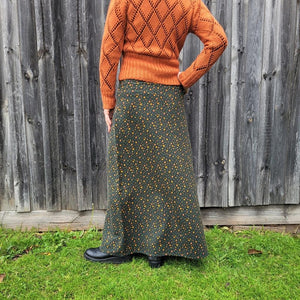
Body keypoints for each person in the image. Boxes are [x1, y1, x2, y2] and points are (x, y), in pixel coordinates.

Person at [84, 0, 228, 268]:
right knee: (165, 171)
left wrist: (108, 98)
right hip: (167, 95)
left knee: (125, 170)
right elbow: (218, 40)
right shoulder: (189, 3)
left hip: (133, 93)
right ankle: (156, 249)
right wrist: (183, 80)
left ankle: (119, 247)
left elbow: (109, 50)